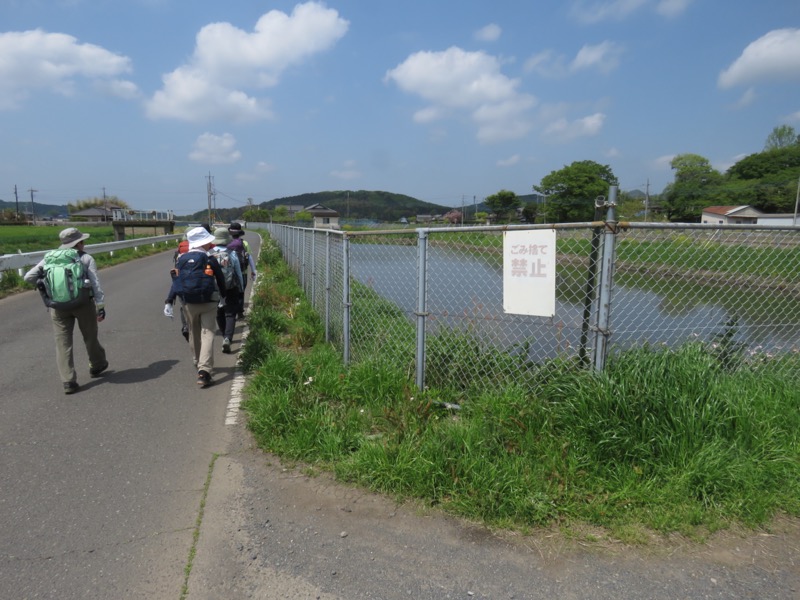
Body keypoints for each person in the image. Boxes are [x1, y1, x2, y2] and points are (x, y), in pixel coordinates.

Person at [24, 227, 108, 394]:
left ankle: (68, 381)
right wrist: (100, 305)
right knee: (90, 336)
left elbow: (28, 277)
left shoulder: (50, 259)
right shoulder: (85, 258)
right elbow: (95, 283)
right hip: (83, 304)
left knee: (63, 343)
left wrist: (46, 287)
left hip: (57, 307)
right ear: (79, 243)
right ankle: (97, 365)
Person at [167, 226, 227, 388]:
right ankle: (205, 370)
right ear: (205, 243)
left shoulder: (181, 259)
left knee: (194, 332)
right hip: (209, 301)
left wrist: (169, 301)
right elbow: (221, 281)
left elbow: (176, 281)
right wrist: (223, 297)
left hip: (189, 302)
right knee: (208, 333)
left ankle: (197, 361)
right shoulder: (210, 259)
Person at [209, 227, 243, 354]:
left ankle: (224, 335)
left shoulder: (209, 253)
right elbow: (238, 272)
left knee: (219, 313)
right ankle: (228, 338)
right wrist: (240, 287)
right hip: (230, 287)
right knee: (230, 313)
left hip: (215, 288)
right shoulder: (231, 253)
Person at [227, 222, 257, 318]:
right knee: (241, 291)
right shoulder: (244, 243)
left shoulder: (227, 243)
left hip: (229, 272)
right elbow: (250, 258)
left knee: (230, 291)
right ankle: (240, 312)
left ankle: (230, 311)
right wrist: (253, 271)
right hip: (242, 271)